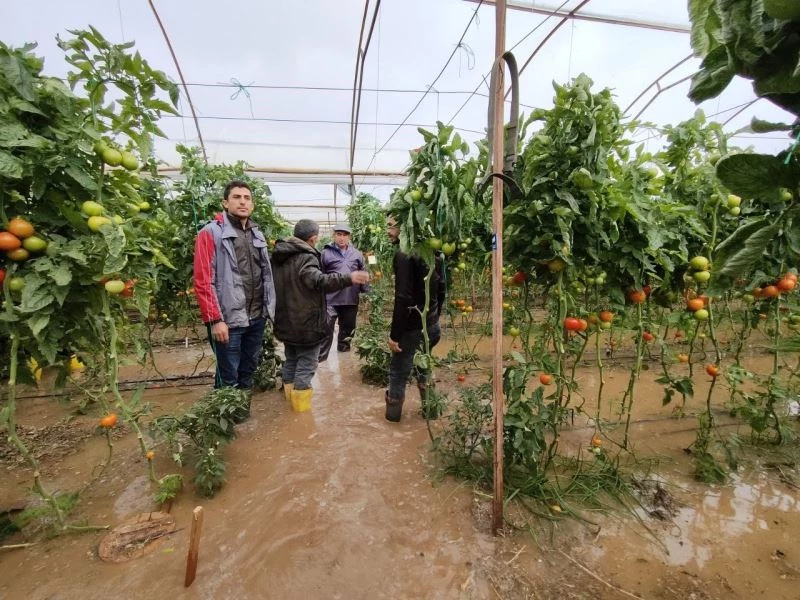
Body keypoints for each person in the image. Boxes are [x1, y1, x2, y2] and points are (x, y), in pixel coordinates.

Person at [193, 180, 276, 420]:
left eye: (247, 198)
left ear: (252, 204)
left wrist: (269, 312)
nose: (242, 202)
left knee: (247, 371)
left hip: (256, 317)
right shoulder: (210, 233)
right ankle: (224, 424)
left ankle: (241, 419)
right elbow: (203, 280)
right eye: (236, 197)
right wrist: (215, 319)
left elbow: (265, 275)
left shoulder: (257, 234)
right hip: (228, 320)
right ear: (225, 202)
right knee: (228, 375)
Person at [271, 219, 370, 412]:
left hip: (286, 318)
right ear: (313, 238)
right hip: (304, 319)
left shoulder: (279, 255)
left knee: (291, 359)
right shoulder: (307, 256)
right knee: (307, 363)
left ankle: (288, 403)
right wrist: (348, 278)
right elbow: (318, 280)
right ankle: (300, 414)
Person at [384, 215, 446, 422]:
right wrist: (434, 317)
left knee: (398, 372)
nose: (388, 231)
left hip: (412, 329)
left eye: (391, 226)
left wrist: (394, 336)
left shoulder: (404, 255)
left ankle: (392, 420)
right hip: (431, 326)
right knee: (424, 366)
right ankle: (431, 414)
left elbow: (402, 298)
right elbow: (442, 288)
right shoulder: (433, 251)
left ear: (405, 226)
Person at [318, 223, 369, 361]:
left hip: (350, 298)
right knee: (326, 328)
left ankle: (344, 356)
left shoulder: (357, 254)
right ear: (334, 236)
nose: (342, 238)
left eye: (345, 235)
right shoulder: (325, 253)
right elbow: (320, 275)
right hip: (330, 298)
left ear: (349, 237)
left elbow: (363, 272)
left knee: (348, 329)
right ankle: (321, 359)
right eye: (339, 234)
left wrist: (365, 291)